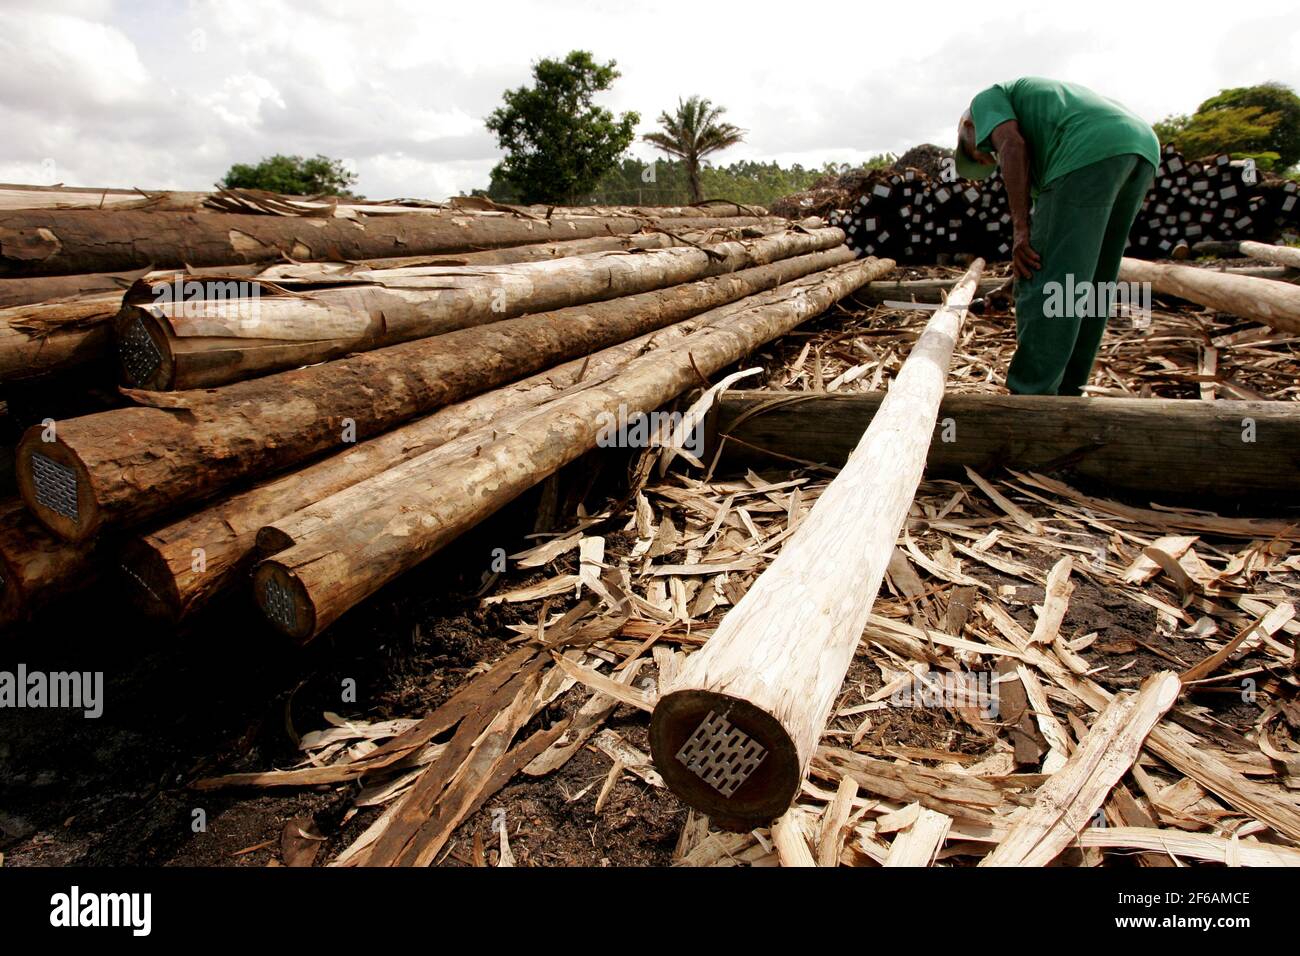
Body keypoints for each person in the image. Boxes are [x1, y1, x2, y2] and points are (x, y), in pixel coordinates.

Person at [955, 78, 1159, 396]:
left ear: (970, 126)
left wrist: (1020, 232)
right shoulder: (1046, 138)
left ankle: (1033, 394)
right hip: (1140, 146)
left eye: (983, 152)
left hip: (1088, 146)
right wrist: (1010, 286)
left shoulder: (986, 100)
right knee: (1092, 280)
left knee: (1052, 287)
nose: (991, 157)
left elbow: (1011, 144)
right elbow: (1058, 249)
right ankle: (1069, 389)